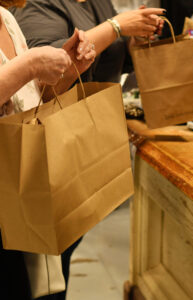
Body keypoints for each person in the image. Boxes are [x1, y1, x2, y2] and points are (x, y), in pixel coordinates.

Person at [11, 1, 165, 299]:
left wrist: (132, 39)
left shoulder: (94, 2)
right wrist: (116, 26)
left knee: (64, 249)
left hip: (85, 140)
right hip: (50, 148)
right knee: (43, 263)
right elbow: (47, 73)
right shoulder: (39, 4)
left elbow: (108, 59)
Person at [0, 1, 96, 299]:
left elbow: (26, 98)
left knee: (37, 285)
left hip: (22, 183)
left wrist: (67, 70)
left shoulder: (5, 17)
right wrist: (29, 65)